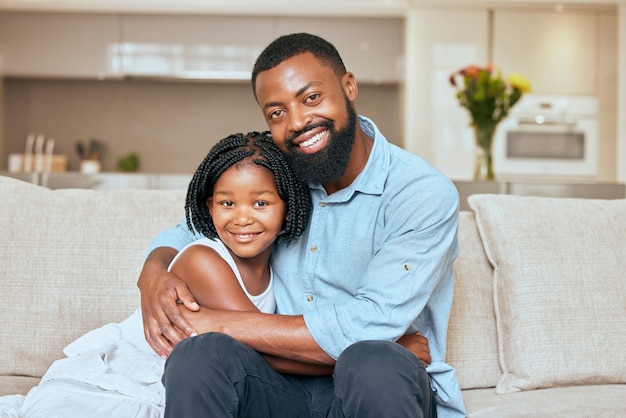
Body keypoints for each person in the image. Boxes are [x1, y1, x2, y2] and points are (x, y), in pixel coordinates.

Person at [139, 33, 466, 417]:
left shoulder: (419, 192)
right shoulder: (280, 170)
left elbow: (368, 326)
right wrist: (152, 274)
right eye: (276, 112)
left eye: (311, 98)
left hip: (371, 385)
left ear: (349, 85)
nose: (297, 122)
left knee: (374, 359)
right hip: (276, 385)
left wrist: (212, 321)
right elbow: (192, 230)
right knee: (199, 354)